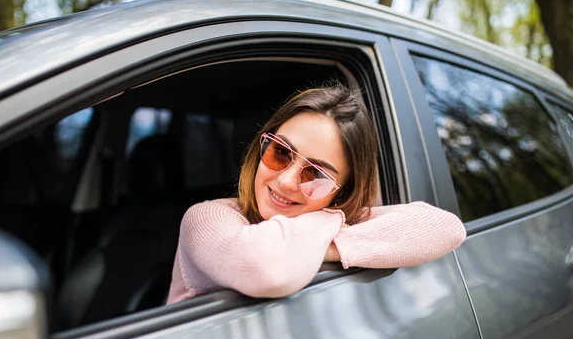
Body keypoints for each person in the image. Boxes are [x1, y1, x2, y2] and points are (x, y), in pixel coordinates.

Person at [166, 82, 466, 305]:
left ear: (342, 192)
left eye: (316, 174)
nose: (286, 181)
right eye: (280, 153)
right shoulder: (205, 217)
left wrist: (325, 239)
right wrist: (327, 224)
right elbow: (267, 269)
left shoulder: (327, 217)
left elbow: (447, 227)